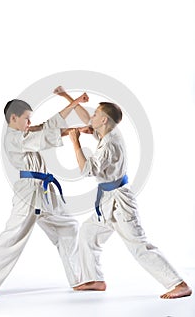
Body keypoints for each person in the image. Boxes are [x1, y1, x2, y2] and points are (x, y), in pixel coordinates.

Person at [0, 92, 89, 300]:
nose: (29, 122)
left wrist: (74, 105)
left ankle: (79, 279)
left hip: (44, 191)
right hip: (29, 192)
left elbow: (48, 125)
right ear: (13, 118)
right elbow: (44, 136)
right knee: (13, 236)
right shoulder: (14, 137)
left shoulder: (25, 132)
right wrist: (71, 132)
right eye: (26, 118)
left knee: (67, 226)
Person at [66, 97, 192, 299]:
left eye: (96, 114)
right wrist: (67, 98)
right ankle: (95, 279)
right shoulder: (110, 132)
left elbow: (87, 169)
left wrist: (75, 143)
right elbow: (89, 121)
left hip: (120, 203)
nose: (92, 117)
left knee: (139, 246)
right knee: (88, 233)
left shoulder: (109, 145)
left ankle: (178, 283)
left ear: (105, 120)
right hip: (107, 201)